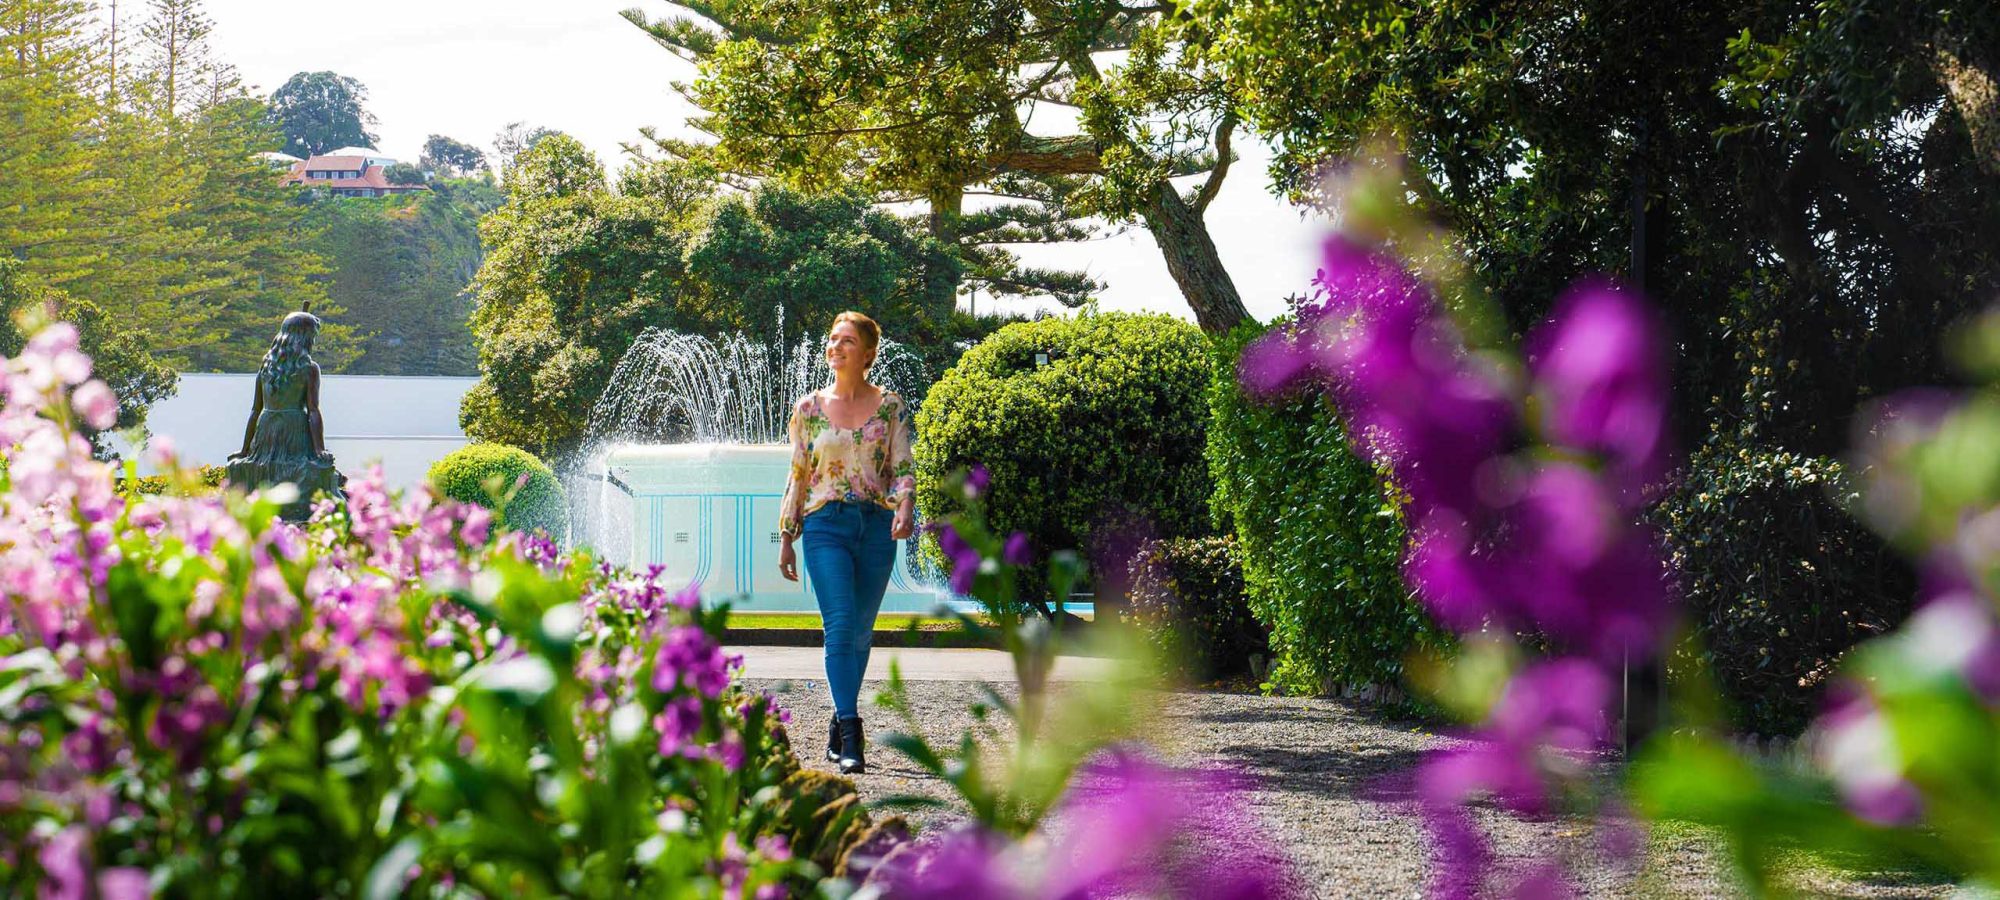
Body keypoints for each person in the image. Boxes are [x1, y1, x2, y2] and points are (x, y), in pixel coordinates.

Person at [777, 311, 916, 775]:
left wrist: (904, 505)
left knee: (860, 632)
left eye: (847, 341)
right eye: (832, 340)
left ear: (868, 353)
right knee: (839, 625)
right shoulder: (808, 410)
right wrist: (787, 535)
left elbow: (901, 465)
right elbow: (798, 474)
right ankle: (853, 730)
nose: (835, 347)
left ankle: (838, 717)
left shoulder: (891, 407)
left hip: (876, 527)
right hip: (825, 526)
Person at [226, 307, 345, 521]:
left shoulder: (266, 365)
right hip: (294, 429)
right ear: (305, 337)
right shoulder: (309, 367)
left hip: (266, 429)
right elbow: (313, 411)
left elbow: (255, 411)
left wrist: (245, 450)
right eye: (313, 337)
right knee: (306, 469)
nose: (314, 342)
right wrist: (319, 449)